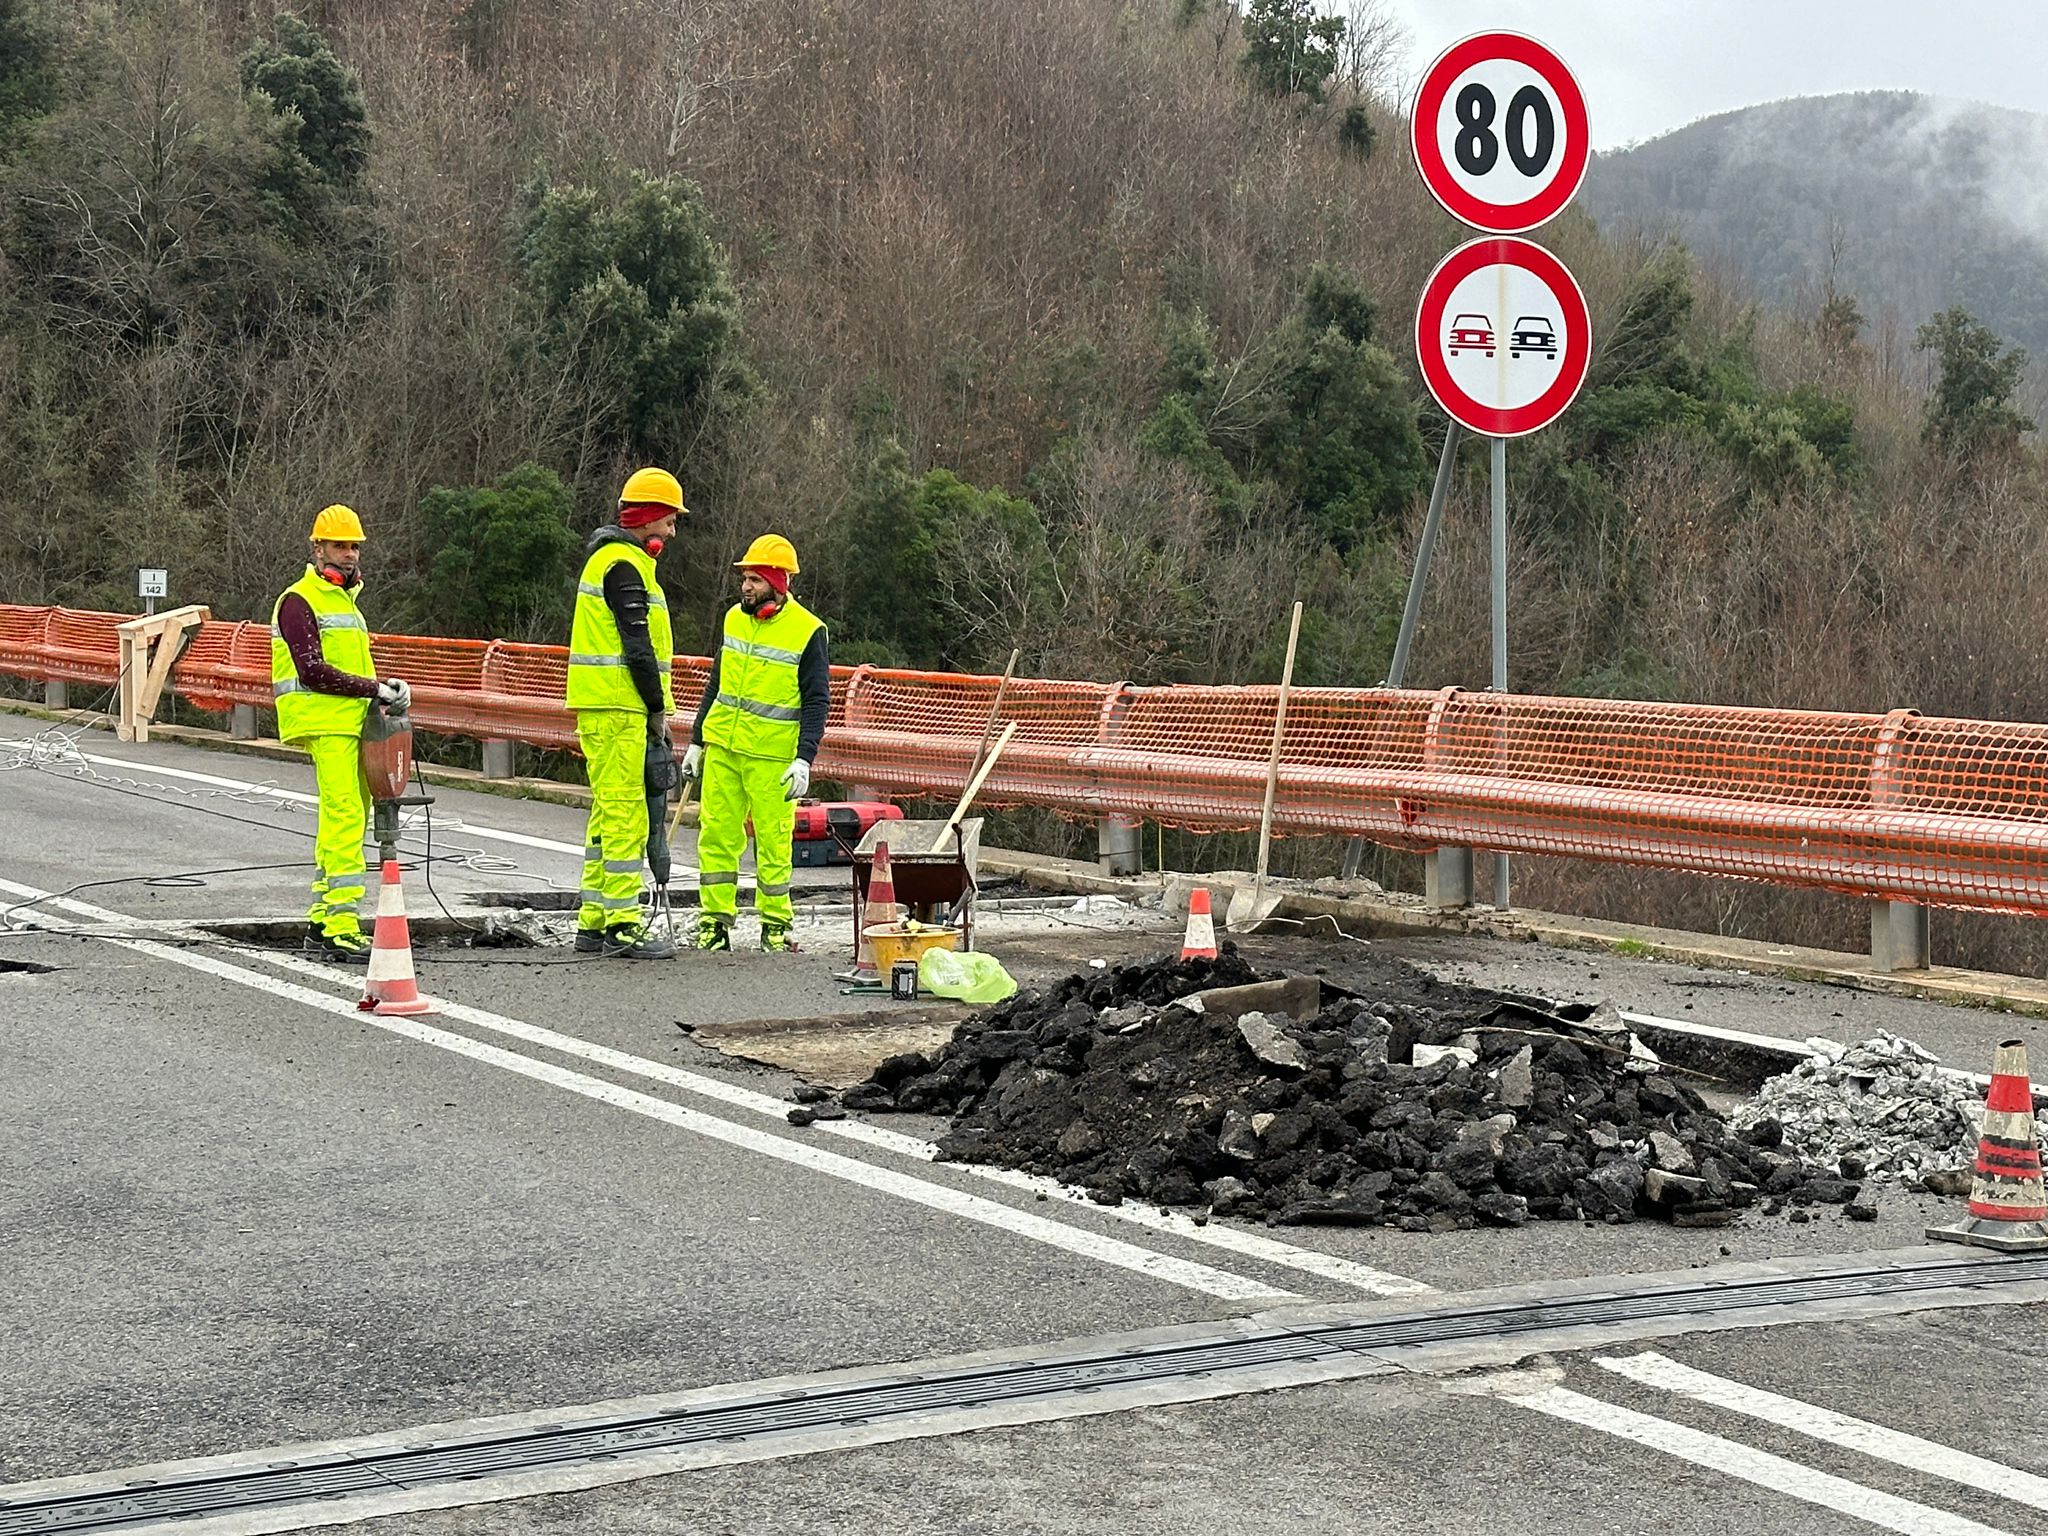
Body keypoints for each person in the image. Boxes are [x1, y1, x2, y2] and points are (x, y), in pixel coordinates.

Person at [270, 504, 411, 964]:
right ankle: (340, 923)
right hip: (323, 721)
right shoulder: (299, 600)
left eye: (354, 546)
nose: (349, 555)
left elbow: (350, 669)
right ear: (317, 548)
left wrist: (383, 690)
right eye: (339, 546)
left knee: (347, 814)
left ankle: (322, 916)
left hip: (353, 722)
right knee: (345, 813)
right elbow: (312, 671)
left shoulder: (347, 603)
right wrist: (376, 688)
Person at [686, 534, 829, 953]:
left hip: (771, 757)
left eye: (755, 580)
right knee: (716, 838)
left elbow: (817, 699)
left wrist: (804, 758)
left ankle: (774, 926)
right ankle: (713, 925)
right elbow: (718, 684)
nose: (746, 587)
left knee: (772, 843)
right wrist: (698, 740)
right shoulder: (733, 619)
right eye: (744, 579)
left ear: (777, 583)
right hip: (724, 749)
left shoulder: (807, 631)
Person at [567, 467, 686, 960]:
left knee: (606, 812)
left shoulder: (612, 562)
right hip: (619, 705)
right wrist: (657, 707)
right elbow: (638, 648)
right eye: (669, 522)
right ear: (649, 519)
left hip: (605, 703)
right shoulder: (624, 567)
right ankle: (621, 922)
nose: (672, 533)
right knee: (626, 814)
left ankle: (592, 921)